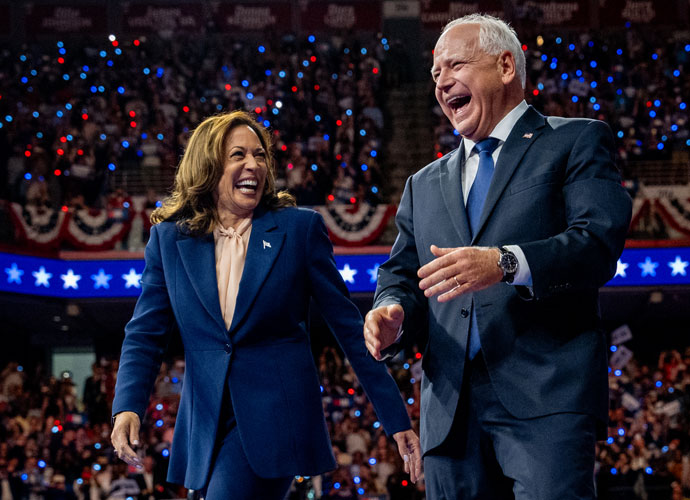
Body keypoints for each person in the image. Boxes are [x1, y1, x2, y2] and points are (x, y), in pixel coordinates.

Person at [363, 14, 632, 500]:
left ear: (506, 65)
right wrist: (391, 312)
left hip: (546, 400)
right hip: (449, 412)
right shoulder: (422, 185)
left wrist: (505, 262)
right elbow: (401, 274)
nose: (441, 81)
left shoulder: (574, 141)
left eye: (455, 65)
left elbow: (597, 244)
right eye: (434, 74)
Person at [110, 110, 421, 500]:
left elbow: (348, 328)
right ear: (208, 165)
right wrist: (128, 406)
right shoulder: (169, 240)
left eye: (260, 155)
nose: (253, 165)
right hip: (204, 427)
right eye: (238, 155)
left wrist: (396, 419)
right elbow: (144, 333)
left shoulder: (299, 230)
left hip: (275, 421)